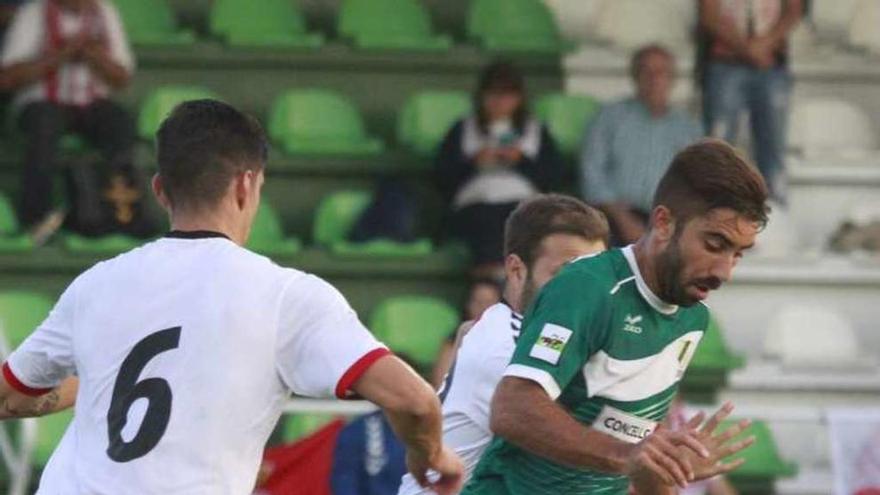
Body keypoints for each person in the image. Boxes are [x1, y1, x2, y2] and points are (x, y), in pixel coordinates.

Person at [0, 100, 463, 494]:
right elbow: (414, 402)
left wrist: (96, 381)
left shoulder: (94, 284)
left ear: (160, 191)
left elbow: (11, 396)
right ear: (246, 185)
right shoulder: (286, 296)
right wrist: (433, 457)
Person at [462, 139, 767, 494]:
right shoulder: (588, 286)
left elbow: (635, 454)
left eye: (738, 254)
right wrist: (628, 455)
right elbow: (513, 408)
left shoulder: (691, 319)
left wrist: (668, 467)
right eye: (714, 244)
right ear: (664, 222)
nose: (724, 271)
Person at [398, 193, 610, 495]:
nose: (585, 291)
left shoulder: (516, 328)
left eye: (594, 275)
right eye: (566, 274)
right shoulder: (508, 353)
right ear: (516, 270)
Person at [0, 0, 151, 239]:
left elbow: (122, 78)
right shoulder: (34, 13)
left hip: (91, 104)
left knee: (119, 123)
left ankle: (121, 215)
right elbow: (8, 77)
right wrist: (60, 56)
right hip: (41, 103)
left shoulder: (105, 12)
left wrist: (94, 55)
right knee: (44, 125)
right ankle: (36, 219)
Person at [436, 60, 564, 277]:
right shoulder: (462, 129)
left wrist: (521, 160)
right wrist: (473, 163)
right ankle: (490, 280)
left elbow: (552, 175)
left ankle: (503, 282)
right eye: (493, 95)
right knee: (488, 224)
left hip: (522, 201)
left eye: (507, 96)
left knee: (519, 222)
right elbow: (442, 177)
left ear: (519, 98)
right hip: (475, 203)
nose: (499, 102)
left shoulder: (536, 130)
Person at [581, 44, 702, 246]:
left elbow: (695, 182)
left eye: (662, 72)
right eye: (647, 71)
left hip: (667, 221)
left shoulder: (688, 128)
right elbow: (592, 174)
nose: (654, 79)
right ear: (635, 77)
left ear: (673, 79)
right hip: (613, 216)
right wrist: (624, 220)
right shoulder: (610, 117)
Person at [699, 0, 803, 202]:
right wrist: (748, 49)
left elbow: (793, 11)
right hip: (726, 63)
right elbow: (708, 16)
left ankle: (776, 221)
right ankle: (716, 215)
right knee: (719, 149)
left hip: (771, 64)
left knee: (773, 151)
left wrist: (765, 43)